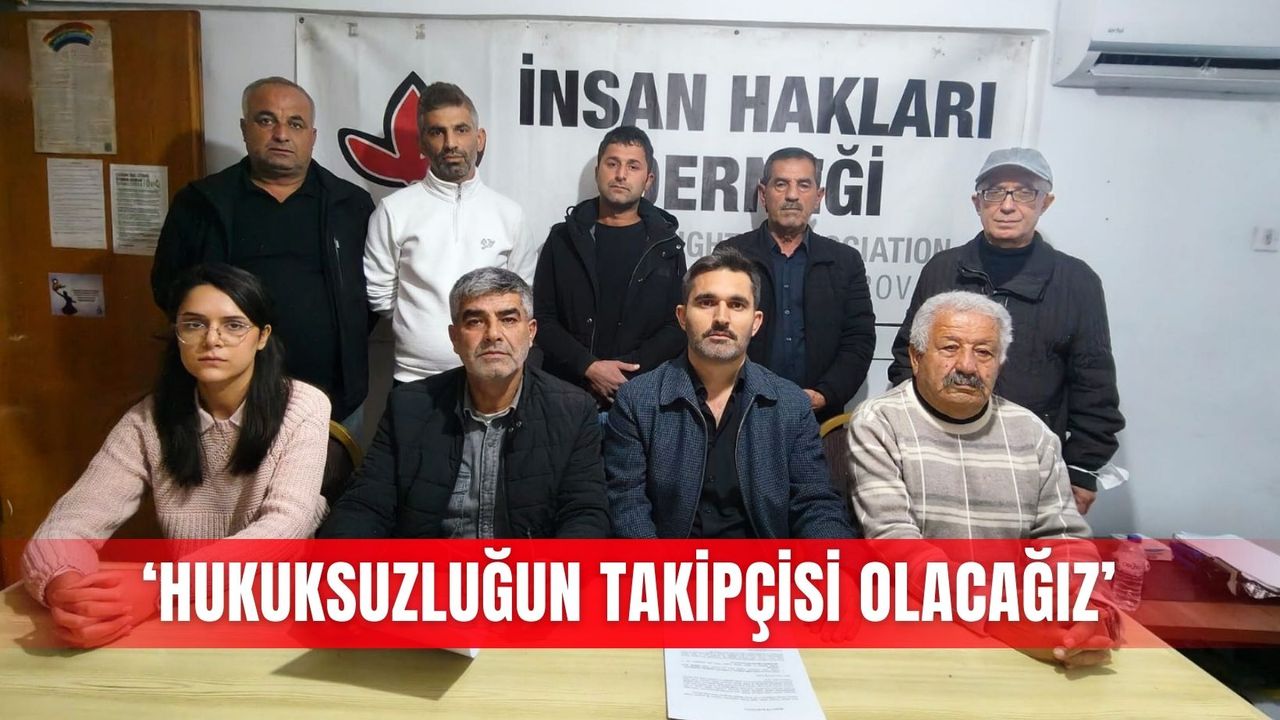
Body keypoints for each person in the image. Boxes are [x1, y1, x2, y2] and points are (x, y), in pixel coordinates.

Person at [24, 263, 330, 647]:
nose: (212, 339)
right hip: (185, 611)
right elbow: (67, 526)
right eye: (194, 324)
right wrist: (68, 591)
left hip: (277, 606)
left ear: (262, 337)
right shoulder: (148, 419)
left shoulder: (303, 406)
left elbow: (286, 526)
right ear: (177, 333)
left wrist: (160, 589)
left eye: (234, 325)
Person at [848, 291, 1117, 667]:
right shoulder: (879, 422)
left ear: (1000, 362)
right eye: (950, 348)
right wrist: (1003, 618)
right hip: (917, 627)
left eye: (984, 352)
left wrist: (1085, 609)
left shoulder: (1032, 433)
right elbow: (895, 542)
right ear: (916, 357)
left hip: (1022, 629)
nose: (967, 365)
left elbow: (1064, 539)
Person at [889, 148, 1124, 515]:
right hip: (936, 453)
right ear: (977, 202)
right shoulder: (942, 269)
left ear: (1046, 202)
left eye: (1025, 192)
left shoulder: (1077, 282)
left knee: (1014, 553)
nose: (1008, 205)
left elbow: (1094, 386)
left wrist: (1082, 470)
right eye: (995, 192)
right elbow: (908, 358)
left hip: (1028, 463)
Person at [150, 77, 374, 430]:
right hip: (227, 400)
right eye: (266, 120)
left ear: (312, 136)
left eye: (295, 124)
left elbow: (372, 296)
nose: (281, 134)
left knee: (333, 470)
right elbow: (169, 288)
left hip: (333, 401)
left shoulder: (351, 205)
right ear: (244, 128)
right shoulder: (201, 203)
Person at [319, 268, 609, 539]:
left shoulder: (572, 410)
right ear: (455, 337)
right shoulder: (409, 406)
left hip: (529, 572)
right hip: (431, 571)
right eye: (475, 321)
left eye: (508, 319)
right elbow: (365, 505)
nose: (493, 334)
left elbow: (585, 514)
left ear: (531, 332)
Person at [605, 247, 855, 538]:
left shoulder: (790, 406)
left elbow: (815, 504)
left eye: (737, 305)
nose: (721, 318)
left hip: (763, 564)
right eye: (707, 302)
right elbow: (627, 506)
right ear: (682, 317)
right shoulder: (638, 401)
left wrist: (831, 558)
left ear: (756, 322)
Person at [364, 82, 539, 383]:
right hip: (414, 377)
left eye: (461, 130)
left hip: (490, 380)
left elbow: (521, 296)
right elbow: (380, 294)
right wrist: (420, 328)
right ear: (422, 143)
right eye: (437, 132)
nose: (450, 143)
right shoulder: (394, 210)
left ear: (479, 139)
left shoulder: (509, 214)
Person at [719, 147, 875, 422]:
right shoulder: (731, 255)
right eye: (781, 184)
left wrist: (825, 394)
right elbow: (717, 333)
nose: (792, 195)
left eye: (804, 185)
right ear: (763, 194)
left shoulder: (845, 262)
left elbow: (858, 340)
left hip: (818, 418)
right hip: (741, 412)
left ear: (819, 196)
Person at [533, 125, 686, 406]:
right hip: (568, 396)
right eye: (612, 164)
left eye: (633, 166)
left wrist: (624, 372)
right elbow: (542, 319)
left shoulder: (667, 246)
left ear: (648, 179)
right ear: (597, 171)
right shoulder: (562, 239)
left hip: (640, 398)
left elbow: (676, 326)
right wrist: (588, 366)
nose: (620, 175)